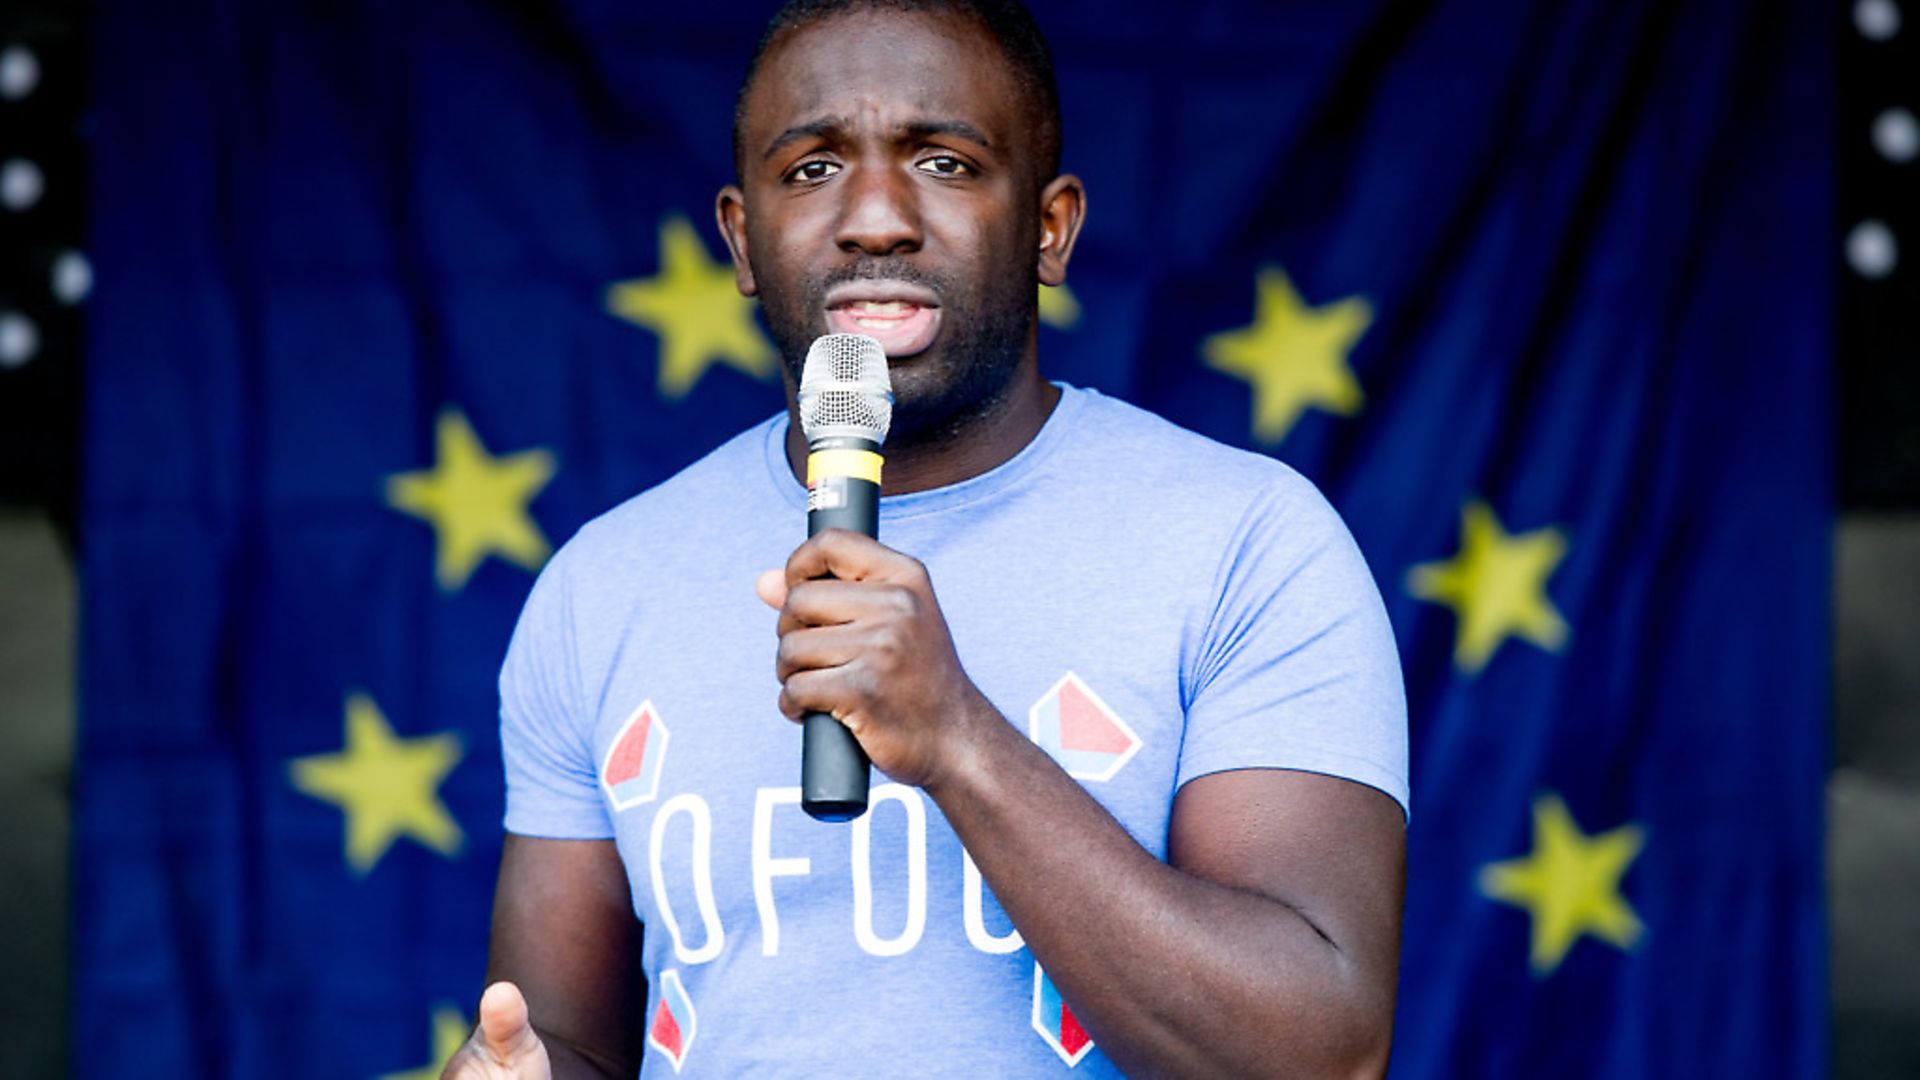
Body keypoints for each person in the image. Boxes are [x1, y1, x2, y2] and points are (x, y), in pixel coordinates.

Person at [444, 1, 1408, 1076]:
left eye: (944, 161)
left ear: (1049, 227)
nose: (875, 220)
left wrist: (954, 735)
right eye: (811, 170)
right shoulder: (603, 583)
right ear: (741, 239)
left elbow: (1320, 1056)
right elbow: (566, 1043)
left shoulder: (1248, 544)